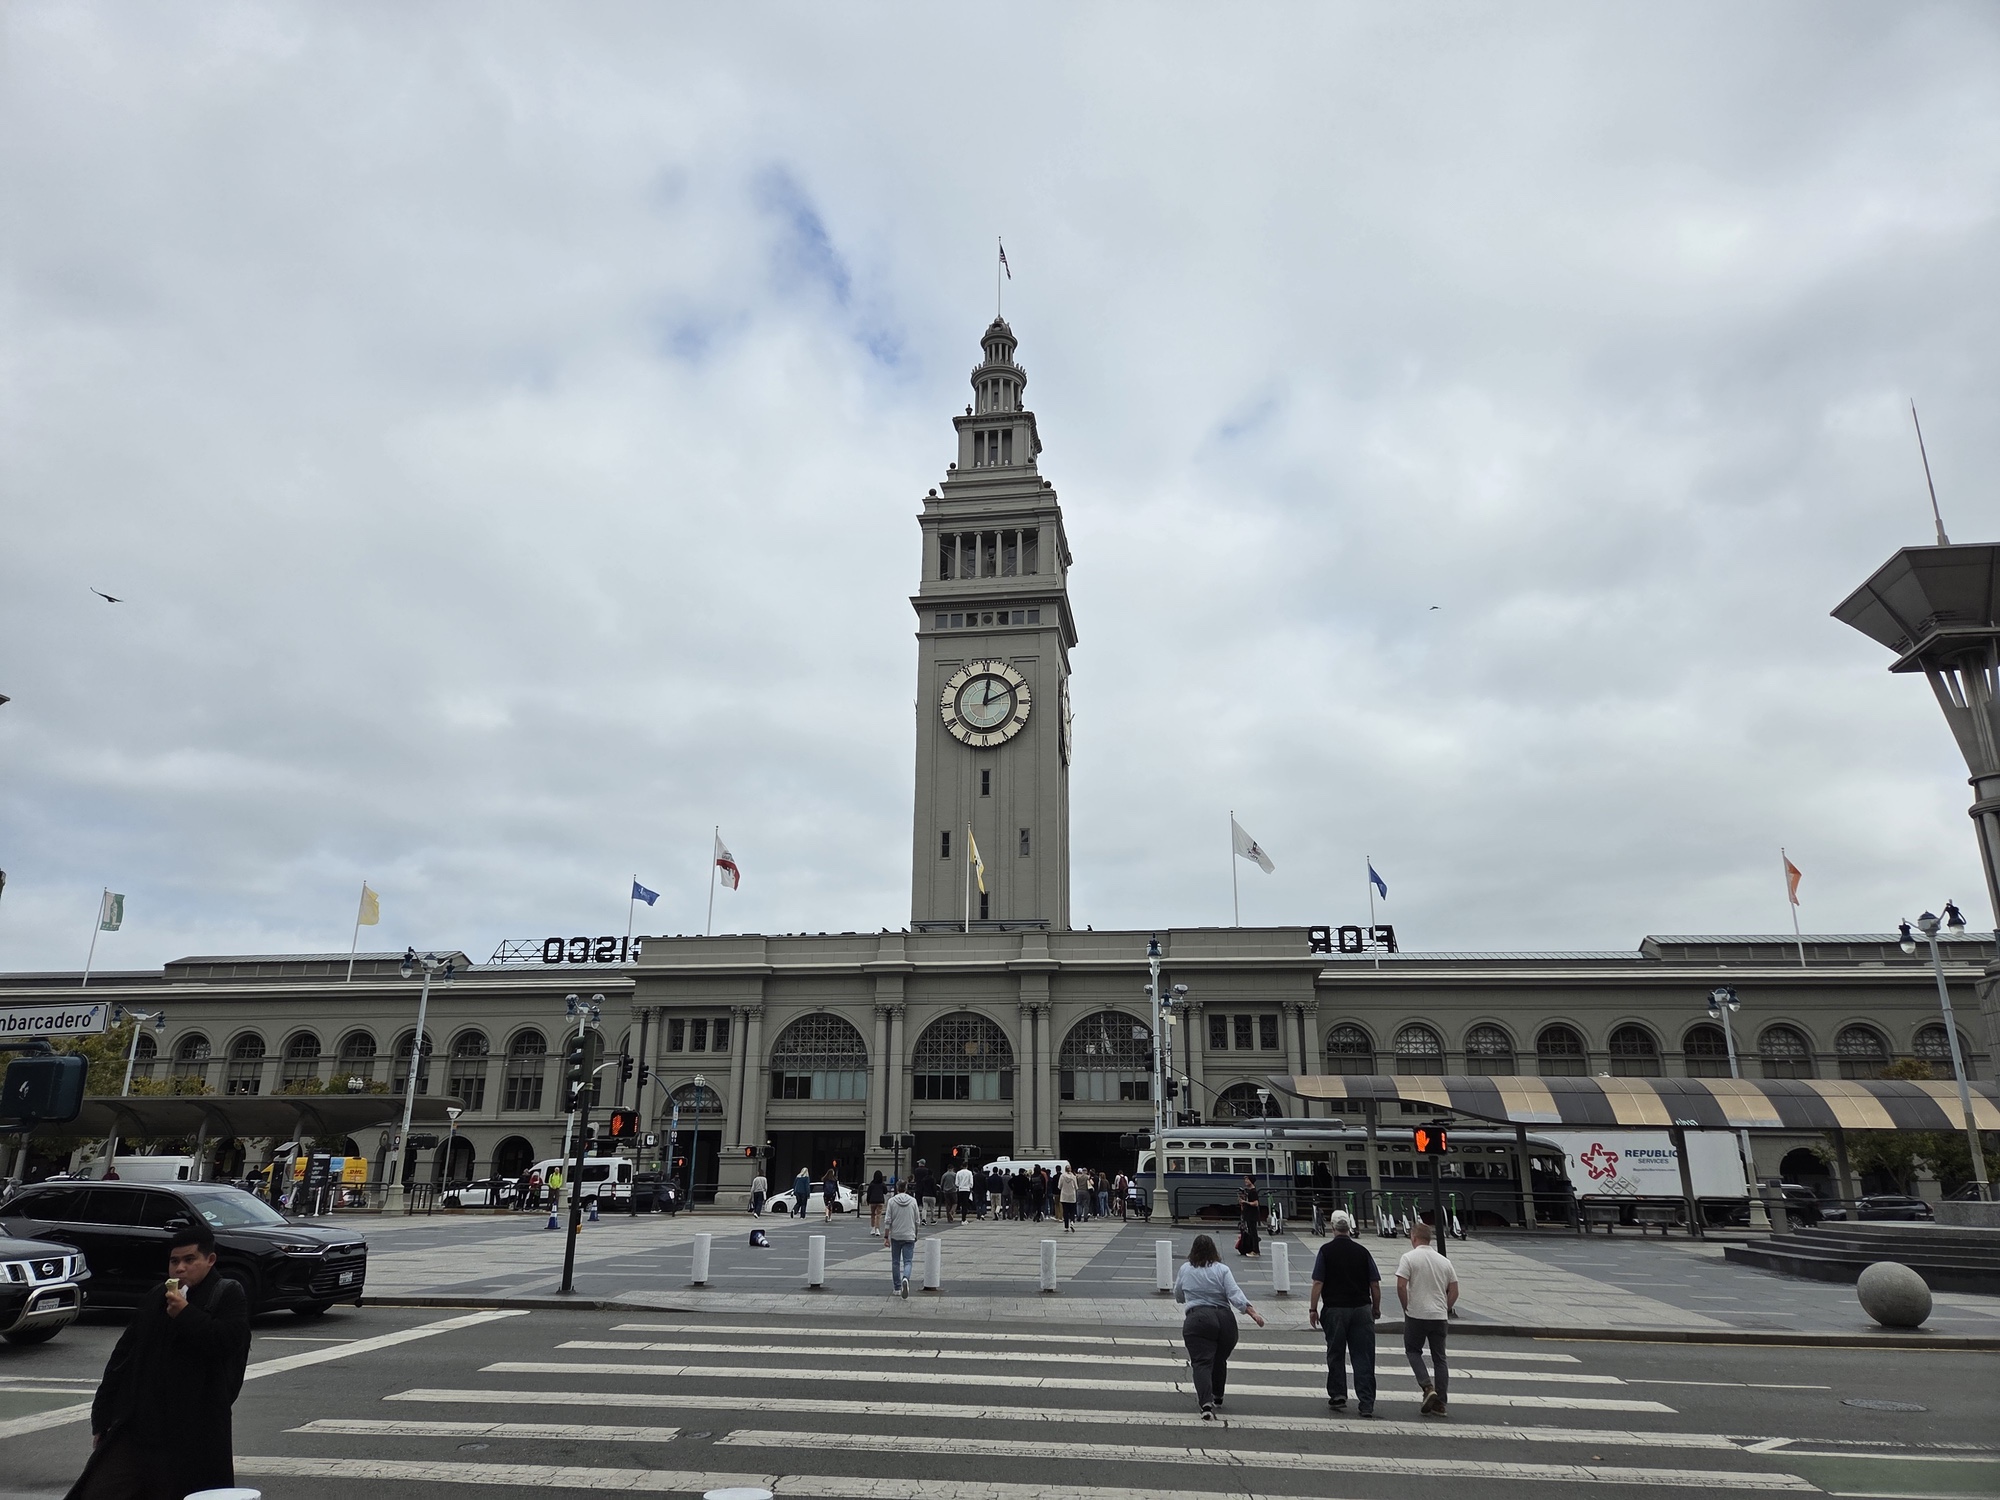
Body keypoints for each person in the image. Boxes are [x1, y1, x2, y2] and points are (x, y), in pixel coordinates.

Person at [66, 1223, 252, 1500]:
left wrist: (186, 1314)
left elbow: (227, 1342)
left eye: (190, 1260)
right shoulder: (157, 1297)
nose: (180, 1268)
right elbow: (123, 1358)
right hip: (138, 1425)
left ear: (209, 1260)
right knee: (101, 1489)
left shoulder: (226, 1293)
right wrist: (101, 1418)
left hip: (192, 1432)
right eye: (174, 1261)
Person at [1173, 1233, 1264, 1419]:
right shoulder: (1222, 1270)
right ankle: (1218, 1395)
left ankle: (1206, 1403)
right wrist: (1252, 1312)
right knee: (1219, 1358)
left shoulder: (1185, 1269)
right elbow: (1234, 1293)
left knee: (1201, 1362)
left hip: (1198, 1318)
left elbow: (1178, 1295)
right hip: (1224, 1319)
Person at [1308, 1210, 1381, 1417]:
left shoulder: (1325, 1251)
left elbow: (1318, 1282)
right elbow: (1374, 1284)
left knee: (1335, 1352)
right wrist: (1375, 1308)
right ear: (1349, 1228)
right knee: (1364, 1357)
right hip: (1361, 1309)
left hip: (1335, 1309)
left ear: (1332, 1228)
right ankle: (1366, 1402)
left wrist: (1313, 1309)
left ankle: (1338, 1394)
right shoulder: (1362, 1251)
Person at [1396, 1222, 1459, 1417]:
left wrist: (1406, 1306)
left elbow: (1400, 1286)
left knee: (1413, 1351)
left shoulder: (1408, 1258)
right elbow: (1455, 1290)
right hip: (1439, 1316)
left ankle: (1426, 1386)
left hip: (1417, 1314)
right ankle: (1440, 1403)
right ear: (1429, 1239)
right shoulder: (1444, 1261)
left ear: (1413, 1238)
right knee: (1439, 1358)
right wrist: (1444, 1308)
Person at [883, 1177, 920, 1298]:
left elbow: (888, 1220)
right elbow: (917, 1220)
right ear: (906, 1188)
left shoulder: (892, 1201)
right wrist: (916, 1233)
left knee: (895, 1262)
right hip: (909, 1234)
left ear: (897, 1188)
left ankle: (897, 1287)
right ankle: (906, 1278)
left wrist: (886, 1236)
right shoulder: (913, 1201)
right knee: (908, 1261)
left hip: (896, 1235)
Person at [1236, 1175, 1262, 1257]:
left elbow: (1256, 1203)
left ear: (1251, 1181)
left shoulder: (1253, 1191)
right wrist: (1242, 1202)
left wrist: (1245, 1202)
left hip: (1252, 1215)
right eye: (1245, 1180)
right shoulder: (1249, 1191)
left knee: (1253, 1233)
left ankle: (1256, 1251)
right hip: (1248, 1214)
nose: (1246, 1181)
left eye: (1247, 1180)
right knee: (1251, 1232)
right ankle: (1252, 1249)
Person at [1058, 1166, 1079, 1231]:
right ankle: (1072, 1221)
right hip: (1072, 1196)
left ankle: (1066, 1226)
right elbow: (1076, 1187)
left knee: (1065, 1211)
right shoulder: (1073, 1177)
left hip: (1064, 1196)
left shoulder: (1062, 1176)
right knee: (1072, 1211)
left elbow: (1059, 1186)